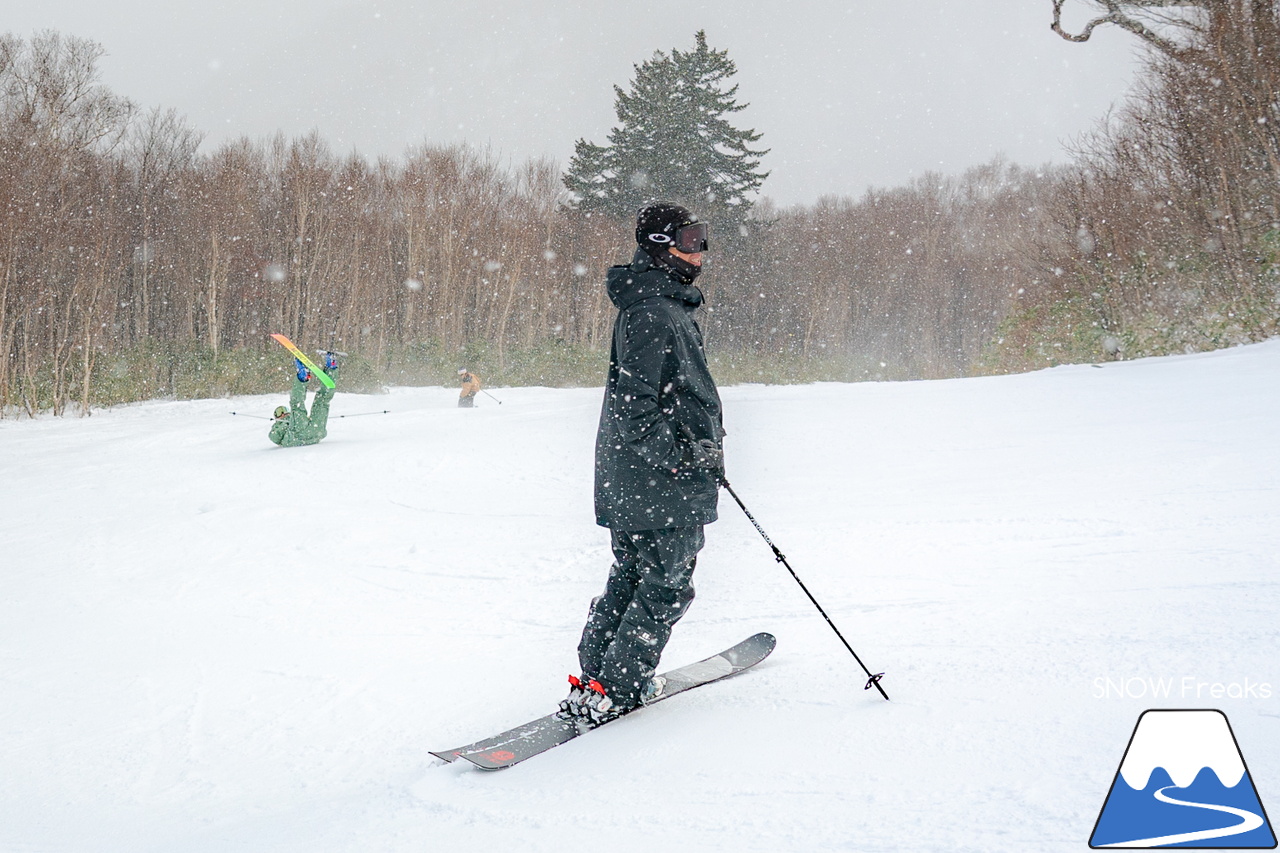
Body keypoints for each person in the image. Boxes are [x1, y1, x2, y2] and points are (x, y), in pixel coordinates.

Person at [560, 202, 725, 725]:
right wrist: (685, 457)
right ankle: (620, 684)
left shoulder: (657, 305)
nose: (701, 251)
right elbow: (638, 408)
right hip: (658, 479)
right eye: (691, 238)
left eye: (702, 237)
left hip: (639, 477)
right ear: (661, 245)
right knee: (665, 582)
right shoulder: (654, 311)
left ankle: (599, 677)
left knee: (635, 572)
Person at [269, 352, 338, 447]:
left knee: (321, 402)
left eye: (283, 410)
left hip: (313, 432)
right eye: (280, 412)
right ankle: (305, 377)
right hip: (305, 434)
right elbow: (274, 437)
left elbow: (276, 437)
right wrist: (284, 423)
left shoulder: (291, 420)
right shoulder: (279, 424)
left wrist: (288, 422)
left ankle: (330, 369)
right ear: (277, 417)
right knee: (300, 404)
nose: (283, 413)